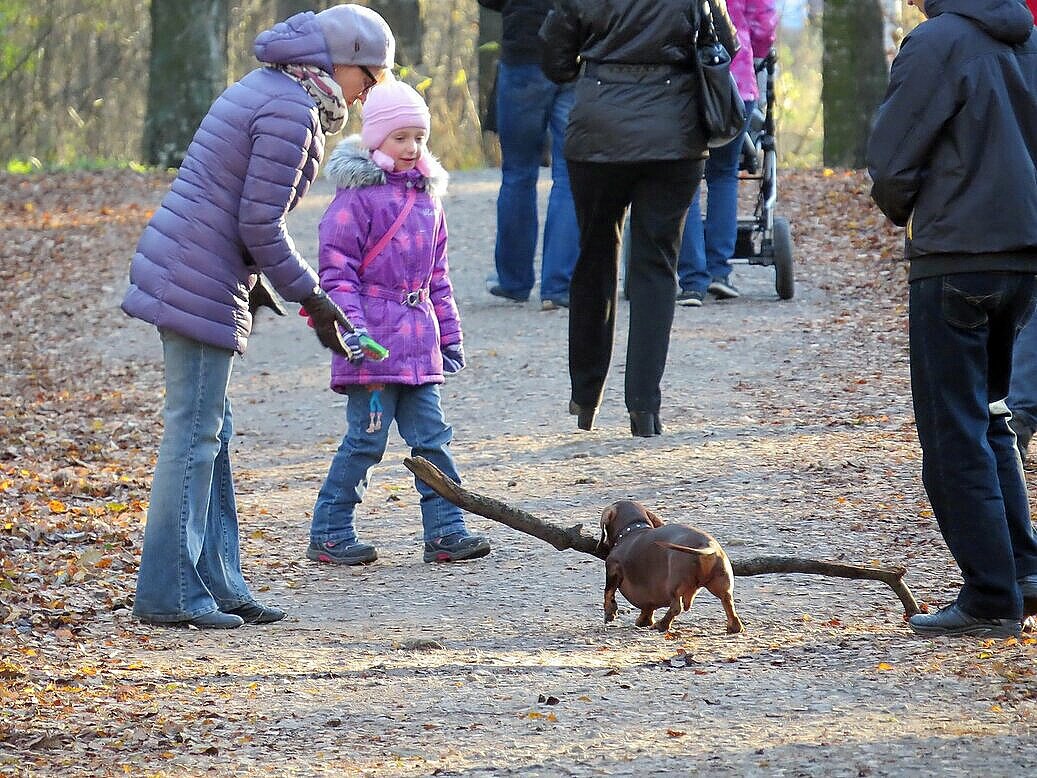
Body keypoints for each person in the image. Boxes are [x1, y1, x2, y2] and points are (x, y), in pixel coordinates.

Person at [121, 5, 395, 629]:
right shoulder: (291, 108)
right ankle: (170, 592)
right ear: (339, 61)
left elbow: (236, 205)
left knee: (207, 436)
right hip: (196, 273)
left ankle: (217, 582)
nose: (367, 91)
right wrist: (312, 296)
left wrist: (265, 286)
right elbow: (257, 222)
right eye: (368, 75)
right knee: (192, 438)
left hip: (202, 269)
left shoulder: (275, 88)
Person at [867, 0, 1037, 638]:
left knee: (952, 432)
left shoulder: (936, 43)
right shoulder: (1028, 39)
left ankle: (992, 595)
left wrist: (906, 208)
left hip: (956, 257)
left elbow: (891, 157)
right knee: (991, 417)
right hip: (1023, 257)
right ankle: (1022, 571)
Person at [305, 79, 491, 566]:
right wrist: (352, 330)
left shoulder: (430, 200)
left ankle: (446, 531)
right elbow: (336, 274)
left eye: (419, 138)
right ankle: (330, 530)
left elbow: (438, 278)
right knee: (365, 443)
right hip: (370, 352)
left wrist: (449, 336)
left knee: (433, 440)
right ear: (375, 140)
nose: (411, 148)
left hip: (418, 343)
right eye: (400, 138)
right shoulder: (355, 200)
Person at [540, 0, 740, 437]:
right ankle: (644, 408)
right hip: (675, 135)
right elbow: (727, 44)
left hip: (598, 131)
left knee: (595, 257)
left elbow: (554, 60)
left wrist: (598, 72)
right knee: (656, 264)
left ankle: (586, 395)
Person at [479, 0, 580, 311]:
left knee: (518, 174)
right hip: (574, 53)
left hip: (523, 49)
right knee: (569, 174)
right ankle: (558, 285)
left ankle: (513, 281)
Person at [676, 0, 778, 306]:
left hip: (685, 80)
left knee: (686, 179)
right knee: (724, 175)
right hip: (736, 77)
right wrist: (757, 53)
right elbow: (762, 20)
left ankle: (693, 280)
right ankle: (719, 272)